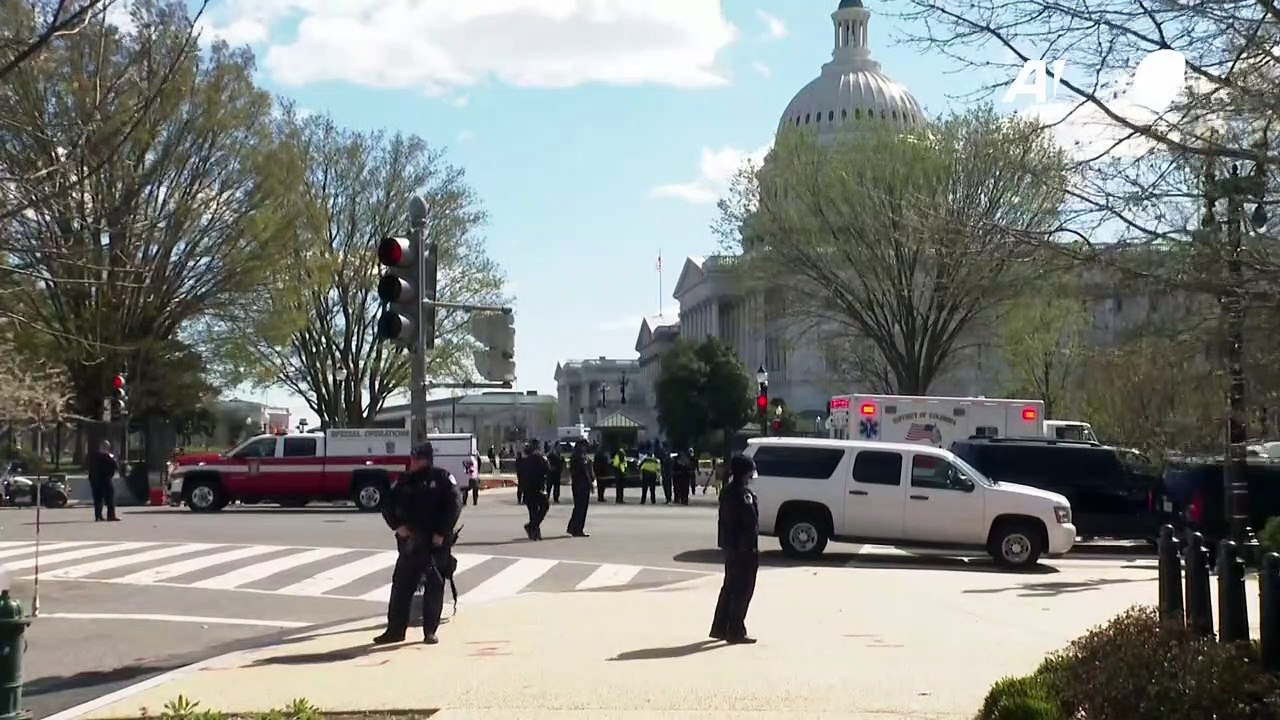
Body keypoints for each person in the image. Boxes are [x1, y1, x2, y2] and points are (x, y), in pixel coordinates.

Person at [374, 442, 462, 646]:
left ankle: (430, 631)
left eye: (415, 458)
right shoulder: (404, 480)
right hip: (410, 543)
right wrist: (397, 526)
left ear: (424, 459)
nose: (411, 462)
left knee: (434, 586)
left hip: (434, 543)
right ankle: (395, 630)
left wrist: (441, 532)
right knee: (401, 586)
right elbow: (387, 504)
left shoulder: (442, 478)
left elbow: (454, 505)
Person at [710, 454, 759, 645]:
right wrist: (749, 548)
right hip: (744, 548)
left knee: (730, 587)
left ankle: (720, 627)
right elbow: (749, 523)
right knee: (743, 589)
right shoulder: (743, 494)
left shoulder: (728, 491)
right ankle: (735, 630)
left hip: (730, 546)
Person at [521, 441, 549, 541]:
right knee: (544, 507)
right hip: (537, 487)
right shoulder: (538, 457)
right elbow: (546, 469)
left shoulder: (524, 459)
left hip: (528, 488)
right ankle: (532, 528)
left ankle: (534, 531)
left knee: (533, 511)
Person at [566, 440, 594, 537]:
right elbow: (584, 471)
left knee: (578, 507)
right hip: (581, 485)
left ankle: (573, 527)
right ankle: (577, 529)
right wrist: (590, 483)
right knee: (581, 508)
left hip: (577, 484)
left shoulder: (576, 456)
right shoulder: (580, 457)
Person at [89, 440, 120, 522]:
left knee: (98, 499)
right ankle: (110, 516)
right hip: (105, 479)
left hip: (95, 480)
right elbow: (115, 467)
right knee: (109, 498)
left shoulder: (94, 456)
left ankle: (98, 516)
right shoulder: (108, 456)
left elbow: (90, 467)